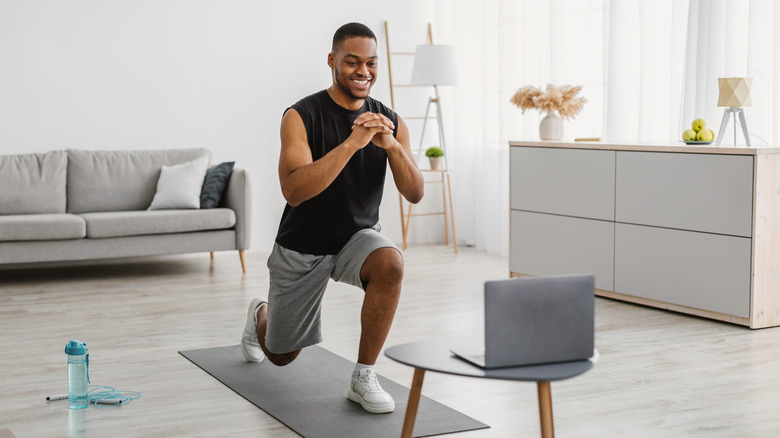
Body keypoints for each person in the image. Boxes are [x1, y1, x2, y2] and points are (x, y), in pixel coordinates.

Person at [241, 22, 424, 414]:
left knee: (390, 262)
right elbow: (295, 190)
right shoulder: (300, 115)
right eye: (352, 62)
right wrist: (353, 143)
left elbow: (415, 193)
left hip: (357, 238)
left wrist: (391, 146)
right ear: (332, 61)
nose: (364, 72)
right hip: (302, 245)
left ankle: (363, 375)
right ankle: (260, 315)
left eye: (371, 63)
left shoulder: (390, 119)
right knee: (281, 356)